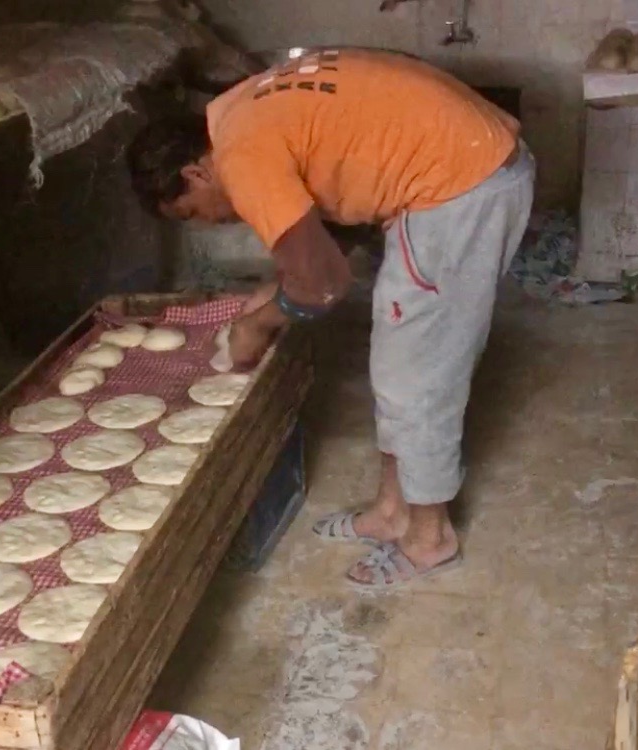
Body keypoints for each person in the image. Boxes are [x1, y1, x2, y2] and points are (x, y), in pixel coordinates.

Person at [127, 48, 535, 589]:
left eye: (192, 212)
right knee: (395, 365)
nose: (206, 224)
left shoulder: (242, 156)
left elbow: (323, 286)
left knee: (420, 375)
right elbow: (333, 202)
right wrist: (282, 283)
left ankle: (430, 539)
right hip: (468, 155)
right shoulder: (233, 113)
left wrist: (260, 321)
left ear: (195, 171)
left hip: (460, 182)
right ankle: (393, 513)